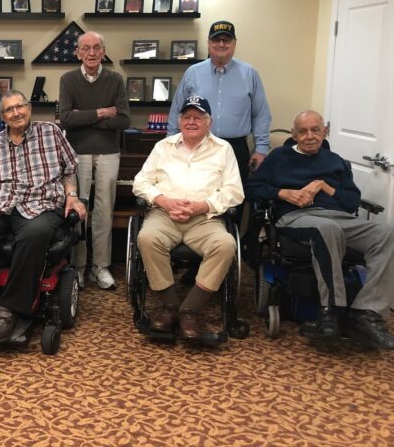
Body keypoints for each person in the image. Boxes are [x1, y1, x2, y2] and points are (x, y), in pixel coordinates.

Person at [246, 110, 394, 348]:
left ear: (324, 131)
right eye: (303, 131)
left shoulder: (335, 161)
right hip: (295, 217)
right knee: (327, 229)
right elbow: (252, 189)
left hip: (339, 217)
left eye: (315, 130)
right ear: (294, 135)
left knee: (386, 234)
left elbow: (351, 202)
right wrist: (283, 193)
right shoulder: (279, 157)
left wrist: (325, 186)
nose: (309, 136)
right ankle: (331, 310)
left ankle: (366, 312)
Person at [0, 90, 87, 343]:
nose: (16, 113)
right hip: (1, 204)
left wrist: (72, 196)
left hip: (42, 203)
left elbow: (69, 170)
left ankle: (11, 310)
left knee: (34, 234)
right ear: (2, 117)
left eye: (19, 107)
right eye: (9, 110)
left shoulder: (51, 133)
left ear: (29, 108)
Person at [133, 96, 244, 339]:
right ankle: (170, 306)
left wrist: (201, 206)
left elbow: (235, 192)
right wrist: (163, 200)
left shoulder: (223, 149)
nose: (191, 121)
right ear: (180, 120)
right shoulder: (163, 147)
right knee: (147, 238)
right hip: (165, 215)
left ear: (209, 122)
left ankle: (190, 310)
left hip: (205, 219)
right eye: (186, 117)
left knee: (226, 245)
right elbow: (140, 182)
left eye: (198, 117)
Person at [59, 31, 130, 289]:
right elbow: (66, 119)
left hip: (109, 152)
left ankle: (100, 266)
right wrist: (101, 112)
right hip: (77, 152)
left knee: (103, 211)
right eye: (85, 48)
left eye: (96, 48)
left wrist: (85, 118)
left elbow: (123, 120)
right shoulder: (68, 80)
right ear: (77, 52)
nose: (91, 53)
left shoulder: (115, 80)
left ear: (103, 51)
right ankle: (77, 266)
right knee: (79, 209)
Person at [168, 21, 271, 186]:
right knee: (196, 194)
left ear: (234, 43)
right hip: (198, 146)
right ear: (208, 43)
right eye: (216, 40)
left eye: (227, 40)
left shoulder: (249, 73)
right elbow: (177, 112)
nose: (221, 44)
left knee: (234, 201)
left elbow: (261, 114)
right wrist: (171, 145)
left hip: (236, 148)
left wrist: (261, 150)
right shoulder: (193, 73)